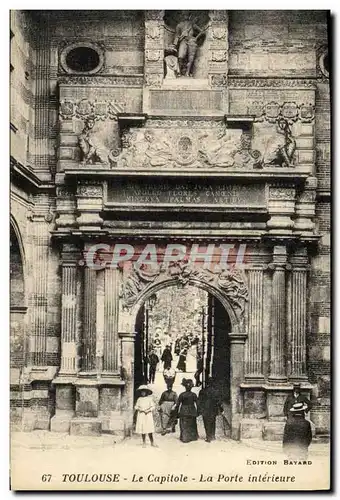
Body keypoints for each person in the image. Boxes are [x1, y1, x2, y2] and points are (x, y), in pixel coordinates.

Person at [174, 378, 199, 443]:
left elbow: (178, 404)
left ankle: (185, 437)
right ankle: (192, 437)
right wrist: (198, 411)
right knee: (192, 423)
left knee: (184, 424)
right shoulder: (193, 395)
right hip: (192, 410)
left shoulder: (182, 394)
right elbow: (197, 404)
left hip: (184, 410)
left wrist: (176, 413)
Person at [198, 378, 222, 442]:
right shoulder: (216, 391)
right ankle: (213, 435)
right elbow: (219, 401)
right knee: (213, 421)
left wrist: (199, 410)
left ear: (207, 383)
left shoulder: (202, 391)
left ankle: (208, 436)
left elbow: (199, 401)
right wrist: (221, 409)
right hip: (213, 409)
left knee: (206, 422)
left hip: (205, 409)